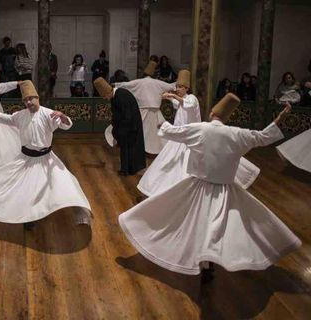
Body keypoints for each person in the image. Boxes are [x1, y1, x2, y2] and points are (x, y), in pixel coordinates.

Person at [119, 94, 300, 281]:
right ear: (227, 117)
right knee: (222, 226)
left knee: (189, 221)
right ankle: (210, 260)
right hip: (225, 190)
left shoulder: (201, 129)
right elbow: (263, 137)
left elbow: (175, 132)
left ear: (212, 112)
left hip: (198, 187)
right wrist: (281, 118)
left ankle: (199, 257)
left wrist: (162, 126)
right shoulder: (237, 134)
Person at [0, 80, 91, 230]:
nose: (29, 102)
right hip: (26, 159)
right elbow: (10, 119)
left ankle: (74, 209)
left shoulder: (47, 113)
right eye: (25, 100)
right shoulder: (21, 115)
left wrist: (62, 116)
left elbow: (66, 124)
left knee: (63, 182)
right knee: (25, 188)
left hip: (45, 159)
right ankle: (28, 219)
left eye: (31, 99)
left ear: (37, 98)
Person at [138, 70, 261, 199]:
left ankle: (186, 193)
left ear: (187, 88)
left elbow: (188, 105)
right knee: (167, 163)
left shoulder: (192, 99)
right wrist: (169, 97)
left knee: (187, 165)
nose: (178, 89)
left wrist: (173, 96)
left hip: (191, 138)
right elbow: (179, 104)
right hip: (179, 137)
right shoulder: (183, 99)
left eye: (180, 87)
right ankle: (160, 189)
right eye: (177, 87)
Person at [107, 61, 176, 154]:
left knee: (138, 131)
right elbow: (171, 86)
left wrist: (116, 84)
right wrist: (180, 84)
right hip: (154, 112)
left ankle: (138, 148)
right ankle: (158, 149)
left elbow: (127, 85)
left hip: (142, 111)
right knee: (157, 133)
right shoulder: (158, 83)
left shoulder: (139, 82)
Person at [94, 77, 146, 176]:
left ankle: (129, 170)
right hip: (125, 126)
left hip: (130, 127)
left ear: (109, 92)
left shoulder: (121, 95)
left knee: (129, 148)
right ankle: (125, 169)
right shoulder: (117, 96)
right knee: (125, 148)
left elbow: (127, 115)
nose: (105, 99)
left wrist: (121, 131)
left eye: (104, 96)